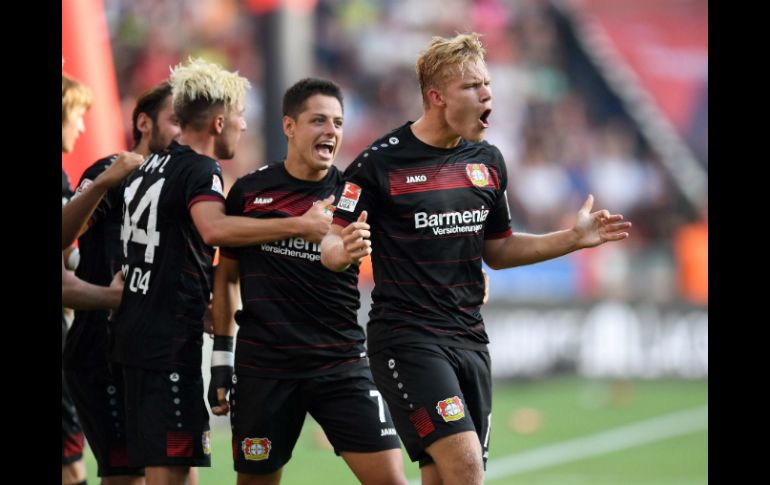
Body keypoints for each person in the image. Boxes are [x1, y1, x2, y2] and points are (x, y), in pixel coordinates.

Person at [320, 33, 632, 485]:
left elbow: (499, 249)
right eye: (472, 87)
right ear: (436, 97)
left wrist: (572, 238)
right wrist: (342, 251)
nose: (487, 94)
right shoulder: (378, 164)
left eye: (487, 84)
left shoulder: (487, 162)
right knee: (465, 466)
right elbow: (332, 242)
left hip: (469, 341)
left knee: (442, 476)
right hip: (407, 342)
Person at [108, 58, 336, 485]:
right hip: (165, 343)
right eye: (239, 116)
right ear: (217, 122)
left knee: (171, 463)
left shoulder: (151, 166)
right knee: (170, 472)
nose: (244, 126)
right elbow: (213, 229)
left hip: (135, 334)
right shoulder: (200, 169)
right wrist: (300, 225)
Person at [209, 78, 407, 485]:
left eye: (337, 122)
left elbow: (407, 249)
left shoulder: (355, 194)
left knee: (391, 480)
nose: (331, 131)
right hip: (265, 369)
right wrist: (220, 361)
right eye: (318, 120)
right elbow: (226, 279)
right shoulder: (249, 192)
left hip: (340, 363)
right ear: (289, 126)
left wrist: (466, 274)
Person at [64, 81, 187, 485]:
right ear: (144, 123)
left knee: (178, 474)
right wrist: (103, 183)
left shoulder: (190, 180)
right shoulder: (108, 170)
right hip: (101, 350)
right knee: (127, 478)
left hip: (158, 352)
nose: (182, 130)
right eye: (174, 120)